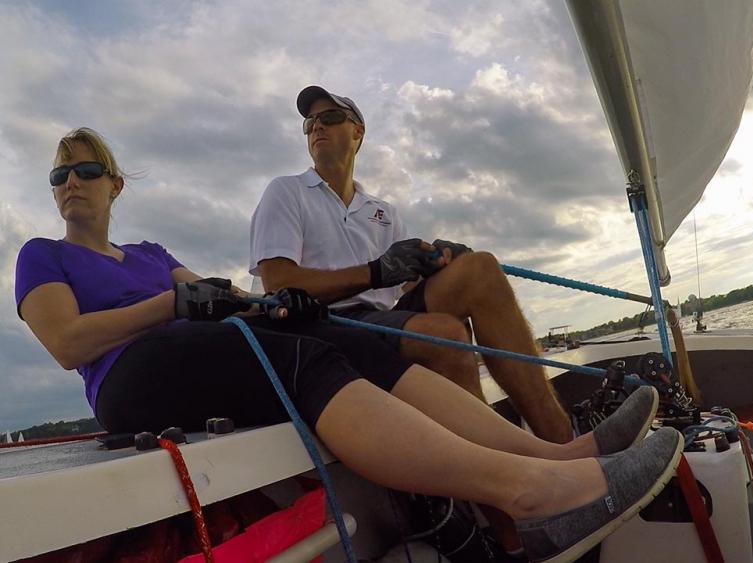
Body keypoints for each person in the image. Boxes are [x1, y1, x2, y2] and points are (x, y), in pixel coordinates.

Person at [15, 127, 681, 563]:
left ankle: (556, 454)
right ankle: (531, 495)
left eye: (85, 169)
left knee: (334, 336)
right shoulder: (40, 254)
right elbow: (68, 343)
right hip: (131, 379)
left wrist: (277, 304)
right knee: (296, 355)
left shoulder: (150, 251)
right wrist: (171, 304)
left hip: (196, 355)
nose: (70, 181)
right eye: (59, 175)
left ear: (114, 183)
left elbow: (222, 299)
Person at [250, 86, 573, 445]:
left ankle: (565, 445)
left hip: (379, 320)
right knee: (445, 334)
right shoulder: (286, 192)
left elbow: (405, 289)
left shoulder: (384, 212)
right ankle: (519, 483)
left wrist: (440, 266)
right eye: (309, 122)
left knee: (479, 268)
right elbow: (277, 283)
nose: (316, 127)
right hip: (320, 325)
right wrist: (376, 271)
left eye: (329, 118)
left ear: (357, 132)